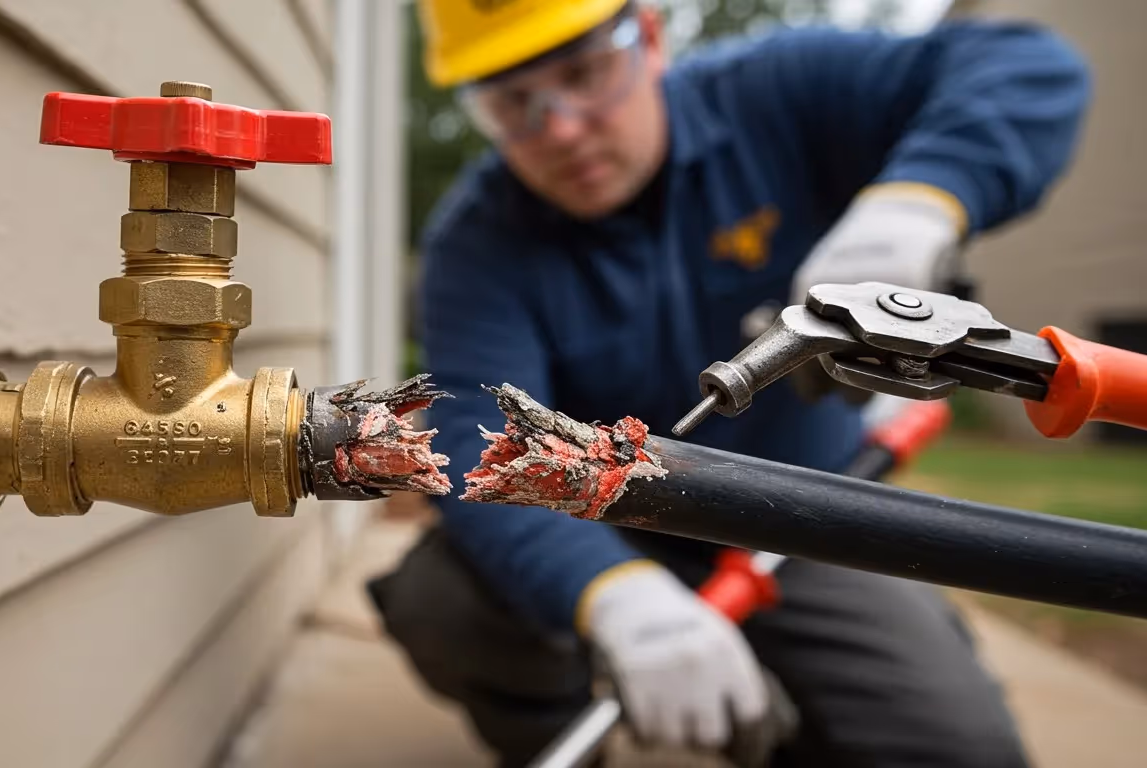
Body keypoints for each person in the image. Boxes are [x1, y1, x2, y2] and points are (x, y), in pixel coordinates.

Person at [368, 2, 1091, 766]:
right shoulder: (475, 249)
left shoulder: (778, 93)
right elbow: (475, 441)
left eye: (583, 73)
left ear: (647, 37)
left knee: (957, 748)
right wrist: (612, 597)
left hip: (809, 521)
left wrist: (922, 198)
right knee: (441, 599)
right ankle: (565, 730)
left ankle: (786, 730)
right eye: (514, 103)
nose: (562, 128)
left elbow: (1031, 69)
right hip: (602, 523)